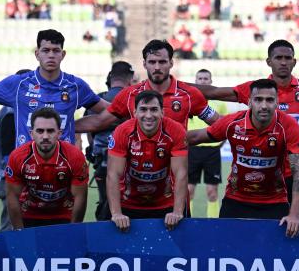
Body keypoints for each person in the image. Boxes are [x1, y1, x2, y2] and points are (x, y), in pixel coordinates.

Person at [193, 39, 299, 217]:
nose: (283, 62)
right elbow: (214, 92)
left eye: (288, 58)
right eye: (278, 57)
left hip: (296, 171)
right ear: (269, 61)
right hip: (265, 171)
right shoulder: (255, 89)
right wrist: (177, 88)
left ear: (294, 61)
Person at [187, 79, 299, 238]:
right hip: (235, 200)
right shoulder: (233, 122)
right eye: (258, 99)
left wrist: (294, 214)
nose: (264, 105)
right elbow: (195, 136)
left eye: (270, 100)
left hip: (274, 202)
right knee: (225, 249)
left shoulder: (288, 125)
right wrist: (164, 136)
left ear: (277, 102)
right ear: (249, 101)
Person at [76, 39, 220, 134]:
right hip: (137, 172)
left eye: (162, 62)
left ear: (171, 63)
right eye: (152, 62)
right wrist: (62, 126)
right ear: (145, 64)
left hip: (175, 172)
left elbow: (217, 122)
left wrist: (241, 125)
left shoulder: (189, 94)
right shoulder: (129, 94)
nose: (157, 67)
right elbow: (98, 122)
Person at [106, 90, 188, 231]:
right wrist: (117, 213)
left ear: (162, 112)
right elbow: (113, 174)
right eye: (143, 110)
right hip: (128, 203)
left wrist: (177, 211)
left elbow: (181, 173)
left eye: (154, 110)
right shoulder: (122, 131)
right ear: (135, 112)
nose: (148, 115)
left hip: (165, 204)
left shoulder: (176, 130)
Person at [5, 107, 89, 229]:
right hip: (29, 214)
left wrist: (73, 229)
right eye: (40, 131)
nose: (45, 136)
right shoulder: (18, 157)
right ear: (31, 133)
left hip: (64, 215)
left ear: (59, 133)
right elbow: (12, 196)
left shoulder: (75, 157)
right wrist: (19, 231)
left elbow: (80, 197)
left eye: (50, 131)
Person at [85, 61, 135, 221]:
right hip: (131, 163)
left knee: (105, 201)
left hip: (102, 162)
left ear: (111, 78)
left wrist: (94, 150)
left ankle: (102, 241)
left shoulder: (97, 100)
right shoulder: (134, 99)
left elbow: (89, 130)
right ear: (130, 79)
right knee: (129, 205)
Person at [0, 69, 31, 232]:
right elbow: (8, 151)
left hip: (7, 176)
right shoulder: (11, 112)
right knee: (11, 222)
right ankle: (7, 255)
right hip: (10, 178)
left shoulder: (12, 109)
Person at [187, 69, 227, 218]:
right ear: (195, 81)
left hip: (212, 152)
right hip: (192, 151)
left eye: (205, 78)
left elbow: (225, 125)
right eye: (200, 78)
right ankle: (187, 221)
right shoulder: (188, 101)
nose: (203, 81)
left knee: (212, 192)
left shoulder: (219, 103)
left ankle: (213, 224)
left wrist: (218, 143)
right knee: (189, 191)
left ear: (211, 81)